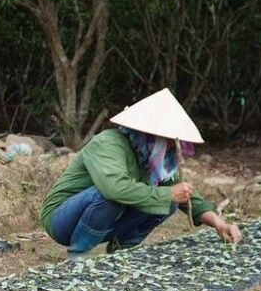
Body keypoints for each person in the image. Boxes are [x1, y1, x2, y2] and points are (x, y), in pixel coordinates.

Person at [40, 88, 243, 259]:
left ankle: (122, 248)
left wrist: (219, 223)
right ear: (150, 133)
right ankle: (79, 254)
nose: (171, 146)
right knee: (113, 196)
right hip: (62, 221)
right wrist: (168, 193)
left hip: (102, 220)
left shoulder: (155, 160)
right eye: (167, 140)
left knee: (169, 202)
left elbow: (187, 197)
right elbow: (113, 188)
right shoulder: (108, 143)